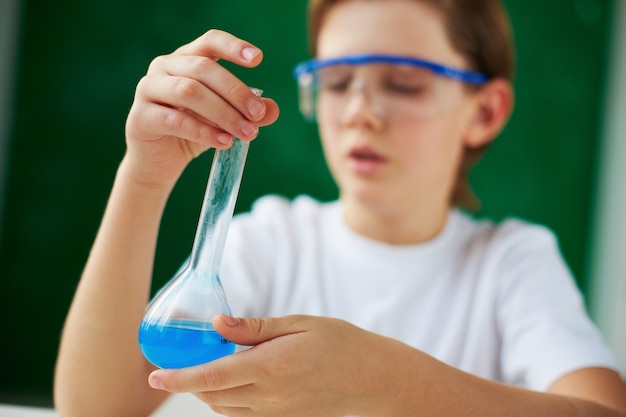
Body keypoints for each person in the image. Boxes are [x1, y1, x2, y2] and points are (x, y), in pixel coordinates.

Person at [54, 0, 626, 416]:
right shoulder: (273, 240)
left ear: (485, 111)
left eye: (403, 83)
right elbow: (96, 409)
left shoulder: (510, 263)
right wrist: (144, 177)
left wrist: (387, 384)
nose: (359, 113)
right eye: (334, 81)